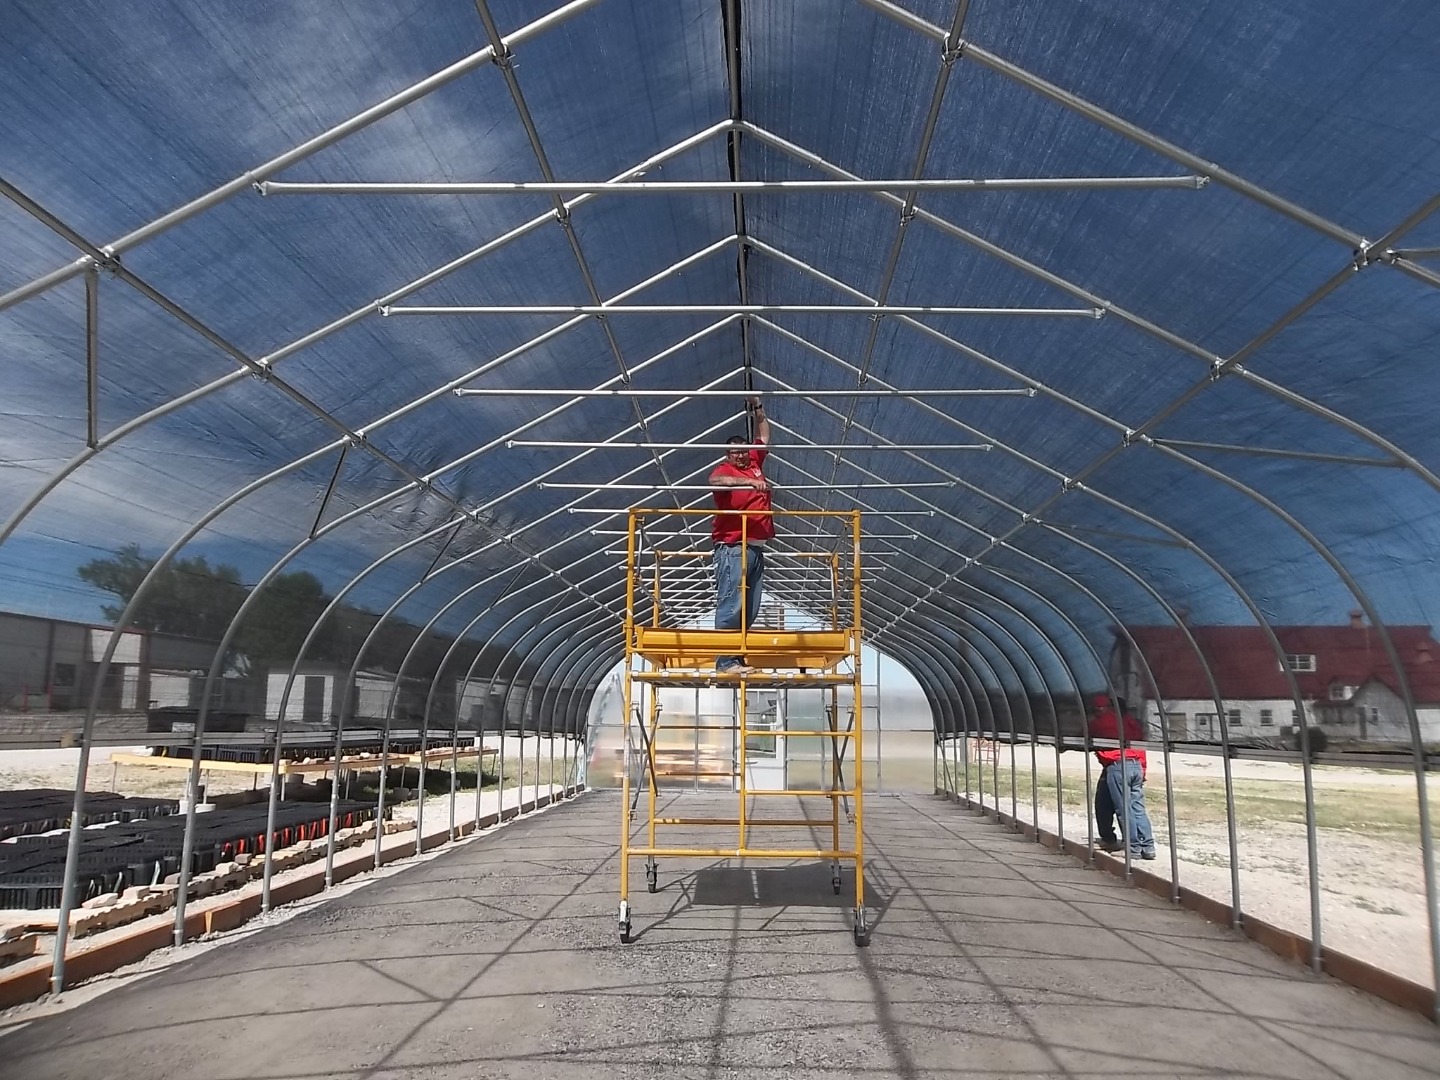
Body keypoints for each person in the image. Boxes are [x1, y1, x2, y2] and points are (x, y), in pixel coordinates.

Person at [710, 396, 771, 674]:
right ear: (727, 455)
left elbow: (763, 434)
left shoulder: (755, 460)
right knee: (732, 600)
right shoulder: (726, 471)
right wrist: (748, 481)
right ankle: (725, 661)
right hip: (733, 546)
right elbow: (715, 481)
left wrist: (757, 408)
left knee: (750, 606)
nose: (741, 455)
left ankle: (737, 656)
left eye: (744, 451)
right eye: (735, 452)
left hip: (755, 546)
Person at [1089, 693, 1155, 860]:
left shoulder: (1100, 723)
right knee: (1138, 809)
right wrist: (1143, 770)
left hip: (1118, 766)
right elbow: (1140, 744)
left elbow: (1081, 735)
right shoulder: (1130, 722)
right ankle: (1148, 847)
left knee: (1123, 809)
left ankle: (1132, 848)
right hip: (1136, 765)